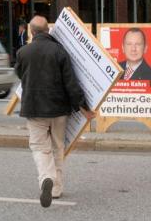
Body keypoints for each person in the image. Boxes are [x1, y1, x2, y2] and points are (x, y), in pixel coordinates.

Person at [15, 15, 95, 208]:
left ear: (32, 32)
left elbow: (19, 73)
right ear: (48, 30)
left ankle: (46, 179)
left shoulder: (23, 52)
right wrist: (84, 108)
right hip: (59, 109)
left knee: (39, 147)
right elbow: (71, 83)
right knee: (58, 147)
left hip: (34, 108)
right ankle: (56, 188)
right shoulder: (60, 51)